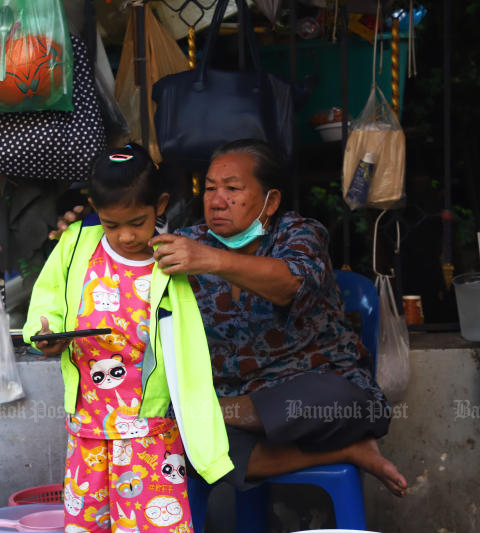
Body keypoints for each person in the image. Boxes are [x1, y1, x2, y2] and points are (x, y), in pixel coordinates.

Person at [49, 139, 407, 497]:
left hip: (304, 398)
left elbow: (290, 284)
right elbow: (124, 264)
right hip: (227, 401)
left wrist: (210, 260)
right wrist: (89, 244)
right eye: (209, 188)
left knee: (337, 400)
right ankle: (346, 450)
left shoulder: (300, 234)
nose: (217, 200)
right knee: (171, 447)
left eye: (232, 189)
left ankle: (218, 413)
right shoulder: (183, 243)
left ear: (272, 201)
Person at [23, 143, 233, 532]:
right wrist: (44, 332)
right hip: (87, 431)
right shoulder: (75, 247)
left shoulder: (171, 258)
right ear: (95, 211)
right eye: (111, 224)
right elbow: (46, 301)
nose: (125, 236)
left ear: (161, 205)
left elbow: (190, 350)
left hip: (149, 433)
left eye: (137, 222)